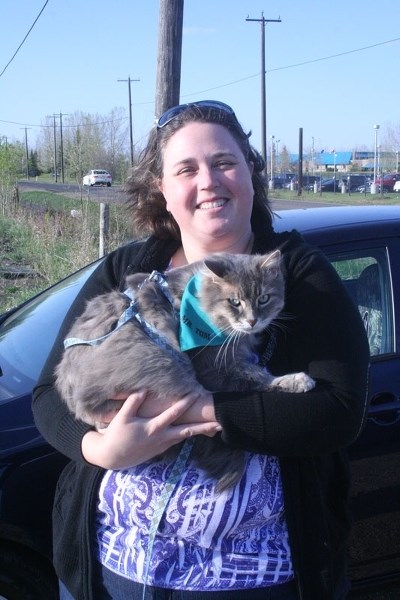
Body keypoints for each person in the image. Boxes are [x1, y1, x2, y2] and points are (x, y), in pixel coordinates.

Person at [32, 100, 370, 600]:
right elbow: (47, 396)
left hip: (254, 578)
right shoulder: (128, 267)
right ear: (163, 191)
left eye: (224, 163)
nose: (208, 180)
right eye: (186, 169)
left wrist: (199, 409)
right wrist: (101, 449)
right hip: (112, 569)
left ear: (251, 177)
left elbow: (339, 411)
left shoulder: (298, 273)